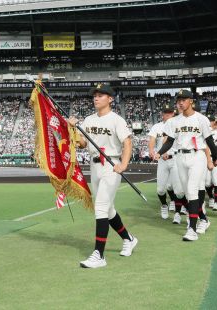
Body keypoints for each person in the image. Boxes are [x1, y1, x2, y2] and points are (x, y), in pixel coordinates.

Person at [68, 83, 137, 268]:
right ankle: (128, 238)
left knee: (100, 208)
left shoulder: (116, 120)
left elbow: (127, 143)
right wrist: (74, 129)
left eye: (100, 95)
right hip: (95, 166)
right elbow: (82, 144)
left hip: (111, 166)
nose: (96, 98)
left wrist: (123, 164)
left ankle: (99, 255)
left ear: (110, 99)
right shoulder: (89, 119)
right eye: (94, 95)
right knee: (108, 210)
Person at [155, 89, 217, 241]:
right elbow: (169, 141)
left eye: (184, 99)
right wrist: (159, 152)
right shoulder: (173, 121)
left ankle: (192, 229)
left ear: (191, 101)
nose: (180, 102)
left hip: (197, 155)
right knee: (184, 194)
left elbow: (209, 142)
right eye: (178, 100)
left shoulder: (201, 119)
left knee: (192, 191)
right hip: (180, 156)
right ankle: (204, 219)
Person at [148, 104, 184, 222]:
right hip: (162, 160)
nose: (167, 115)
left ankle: (178, 213)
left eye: (170, 113)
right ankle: (164, 205)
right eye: (165, 113)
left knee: (177, 190)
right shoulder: (157, 127)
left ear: (173, 114)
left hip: (175, 159)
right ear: (162, 114)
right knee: (160, 189)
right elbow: (152, 140)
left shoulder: (178, 125)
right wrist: (151, 150)